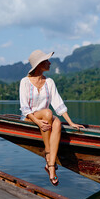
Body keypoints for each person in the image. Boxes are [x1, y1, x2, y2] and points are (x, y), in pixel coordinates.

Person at [19, 50, 84, 186]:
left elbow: (58, 103)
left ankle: (50, 166)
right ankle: (49, 157)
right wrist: (37, 122)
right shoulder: (24, 82)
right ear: (39, 65)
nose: (50, 63)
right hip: (30, 118)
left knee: (58, 123)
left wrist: (71, 122)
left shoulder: (49, 82)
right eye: (46, 61)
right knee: (48, 113)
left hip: (46, 118)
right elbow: (25, 108)